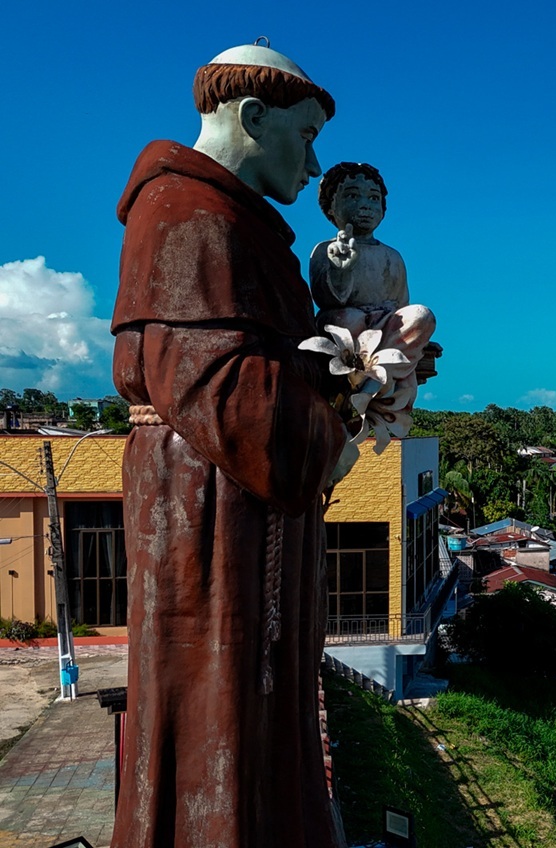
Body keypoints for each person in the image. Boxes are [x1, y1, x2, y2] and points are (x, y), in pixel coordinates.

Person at [111, 42, 350, 847]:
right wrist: (342, 415)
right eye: (307, 135)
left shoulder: (231, 222)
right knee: (217, 720)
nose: (317, 165)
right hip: (211, 526)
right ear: (252, 117)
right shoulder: (188, 215)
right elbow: (224, 395)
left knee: (251, 723)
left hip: (233, 517)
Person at [309, 162, 408, 312]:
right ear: (330, 207)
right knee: (349, 317)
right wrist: (340, 272)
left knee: (421, 315)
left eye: (374, 198)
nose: (365, 205)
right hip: (344, 321)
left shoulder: (393, 257)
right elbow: (325, 300)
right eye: (352, 196)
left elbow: (402, 304)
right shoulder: (326, 250)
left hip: (386, 320)